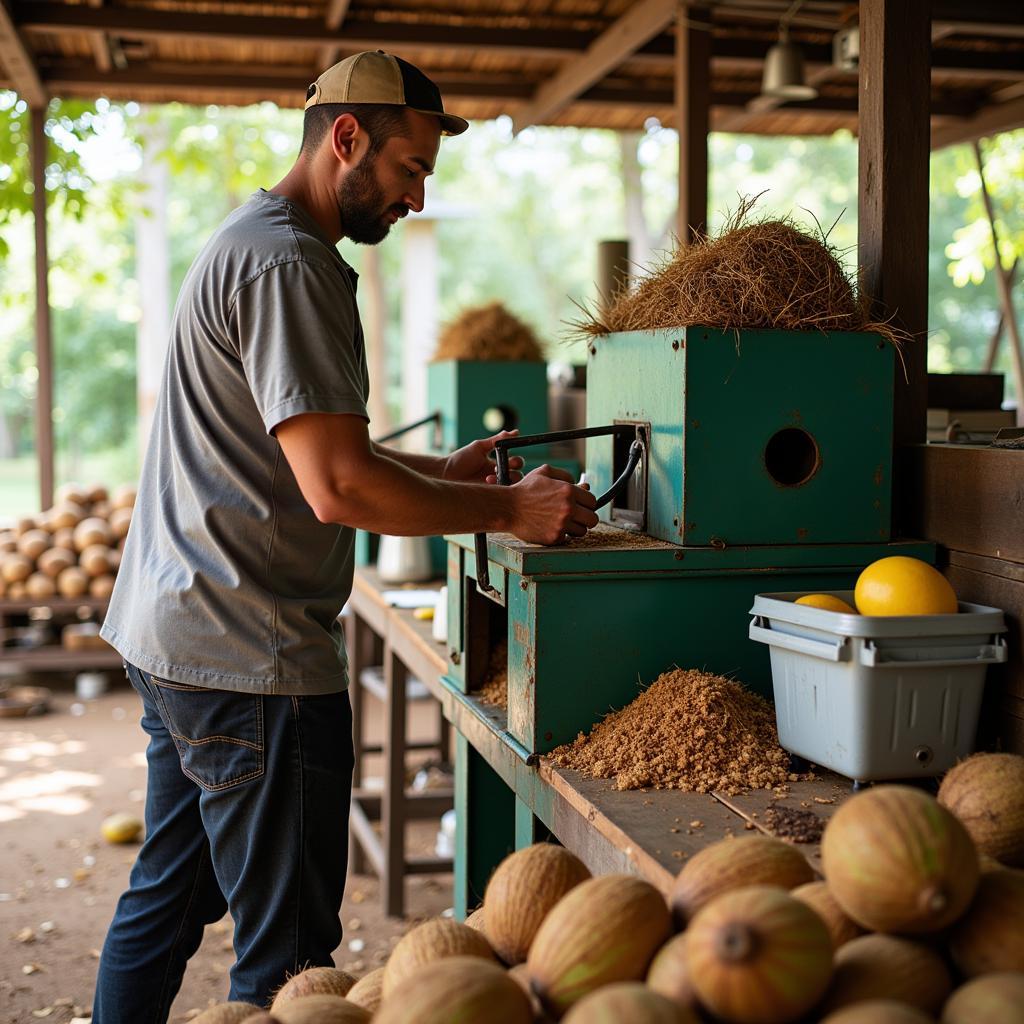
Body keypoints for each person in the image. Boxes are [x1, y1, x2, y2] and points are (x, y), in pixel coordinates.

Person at [92, 50, 598, 1022]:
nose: (414, 201)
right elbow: (336, 487)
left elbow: (311, 455)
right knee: (291, 966)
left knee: (163, 901)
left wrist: (443, 479)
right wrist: (509, 509)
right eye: (410, 171)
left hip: (177, 636)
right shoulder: (293, 263)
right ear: (348, 140)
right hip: (252, 657)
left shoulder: (253, 235)